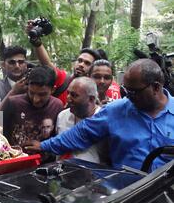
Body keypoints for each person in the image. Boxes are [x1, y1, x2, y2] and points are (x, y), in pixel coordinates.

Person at [25, 59, 174, 172]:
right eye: (125, 90)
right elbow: (82, 133)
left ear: (156, 87)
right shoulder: (116, 111)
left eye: (134, 92)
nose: (127, 96)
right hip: (127, 194)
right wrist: (44, 145)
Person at [26, 19, 101, 105]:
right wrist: (36, 40)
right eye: (80, 61)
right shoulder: (63, 79)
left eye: (87, 63)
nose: (81, 65)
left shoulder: (95, 90)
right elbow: (47, 63)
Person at [1, 65, 64, 159]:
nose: (36, 99)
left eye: (42, 94)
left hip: (45, 163)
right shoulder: (12, 102)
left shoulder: (58, 105)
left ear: (53, 90)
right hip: (14, 162)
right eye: (31, 93)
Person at [56, 77, 108, 164]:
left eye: (74, 95)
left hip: (94, 174)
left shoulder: (104, 120)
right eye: (68, 93)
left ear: (91, 99)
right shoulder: (62, 116)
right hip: (62, 172)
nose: (68, 98)